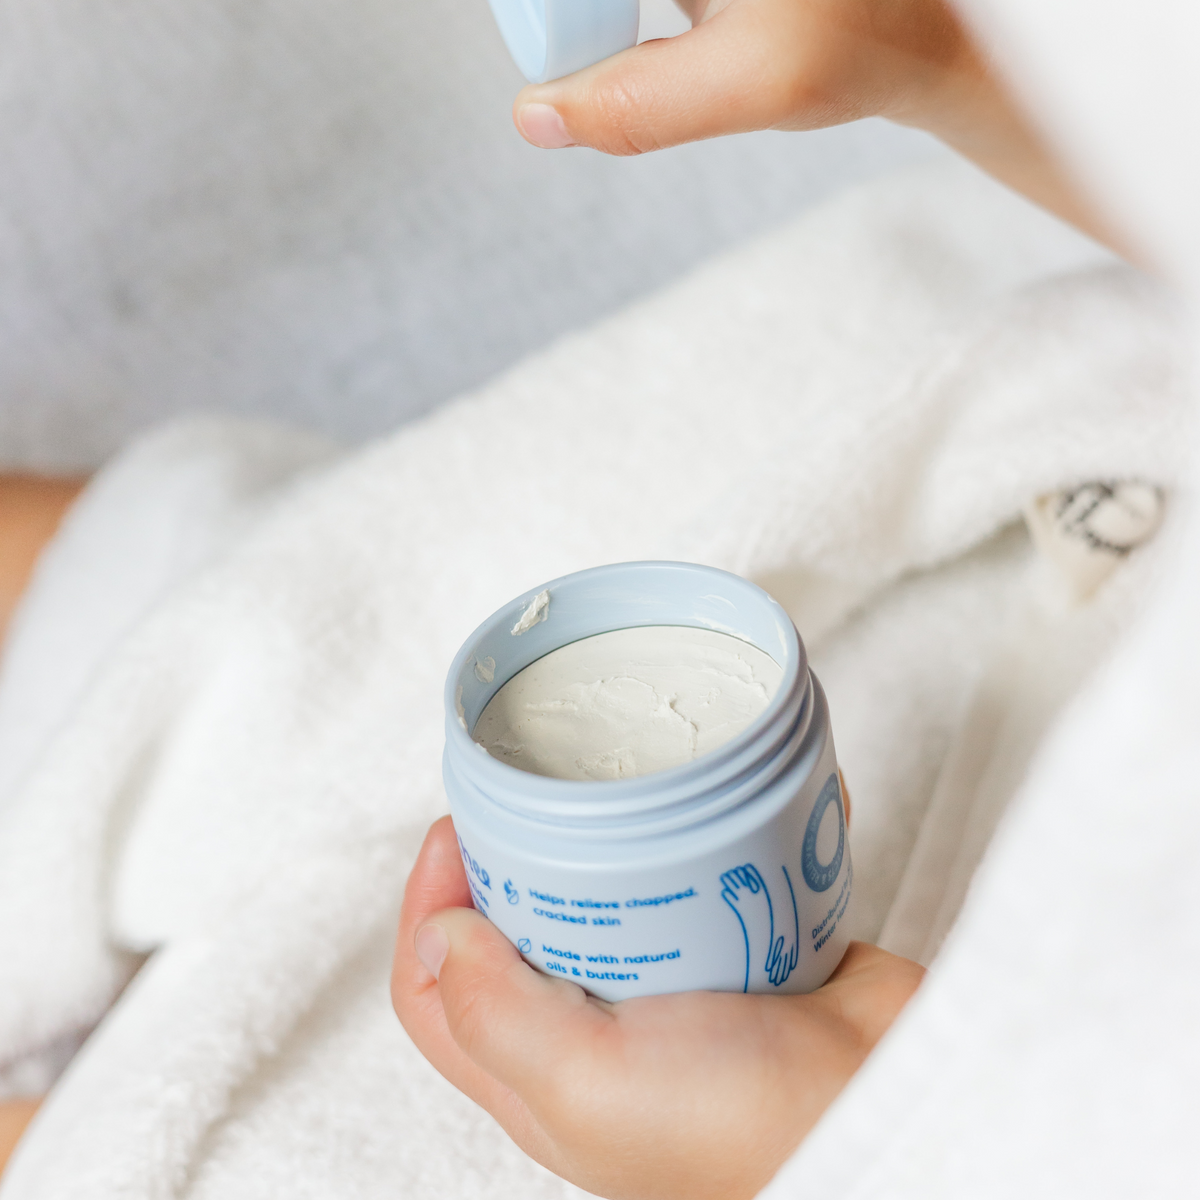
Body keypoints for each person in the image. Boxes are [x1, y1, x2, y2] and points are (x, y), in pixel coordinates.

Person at [0, 0, 1195, 1196]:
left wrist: (868, 1150)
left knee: (176, 1138)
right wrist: (944, 55)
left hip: (768, 1103)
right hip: (1020, 492)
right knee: (232, 592)